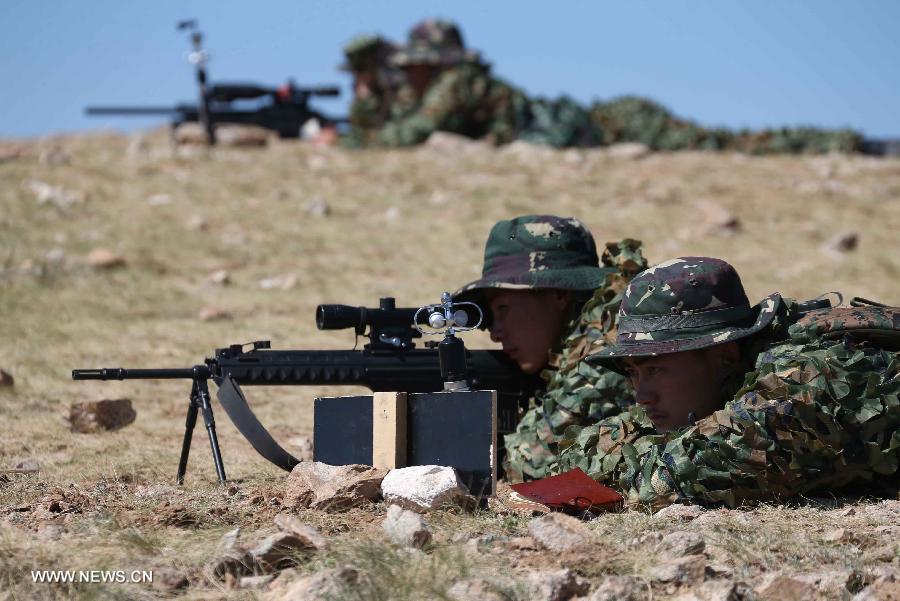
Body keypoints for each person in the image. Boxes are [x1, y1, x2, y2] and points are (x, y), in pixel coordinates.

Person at [553, 256, 900, 508]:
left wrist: (610, 457)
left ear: (726, 356)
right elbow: (578, 453)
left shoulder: (804, 381)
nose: (642, 396)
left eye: (656, 370)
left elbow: (672, 477)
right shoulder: (726, 385)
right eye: (633, 373)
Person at [453, 215, 648, 481]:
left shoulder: (606, 340)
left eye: (503, 308)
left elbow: (530, 461)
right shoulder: (575, 341)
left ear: (559, 294)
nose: (496, 334)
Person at [377, 19, 600, 148]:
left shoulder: (453, 81)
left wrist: (351, 141)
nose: (408, 76)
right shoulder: (458, 80)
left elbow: (413, 131)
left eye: (411, 68)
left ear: (430, 64)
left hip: (552, 130)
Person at [338, 34, 404, 147]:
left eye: (361, 70)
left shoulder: (399, 90)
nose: (356, 79)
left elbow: (399, 135)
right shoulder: (376, 93)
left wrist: (364, 99)